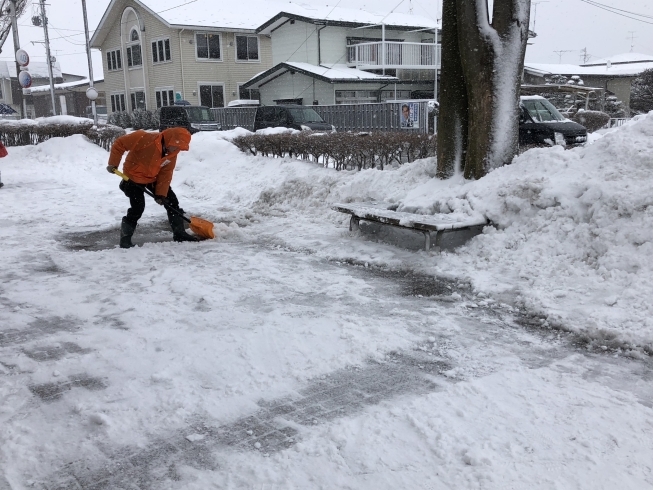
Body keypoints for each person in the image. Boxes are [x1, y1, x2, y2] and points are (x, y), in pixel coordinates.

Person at [106, 127, 198, 248]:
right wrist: (113, 163)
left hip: (152, 178)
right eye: (176, 145)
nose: (177, 149)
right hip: (133, 177)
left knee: (172, 202)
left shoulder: (172, 154)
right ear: (170, 140)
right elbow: (120, 144)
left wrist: (161, 194)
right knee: (138, 207)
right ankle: (125, 239)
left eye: (180, 147)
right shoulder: (144, 138)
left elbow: (165, 174)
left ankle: (179, 234)